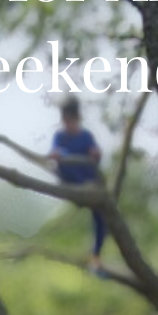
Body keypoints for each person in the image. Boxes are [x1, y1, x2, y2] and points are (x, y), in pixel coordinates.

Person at [49, 99, 109, 276]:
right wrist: (59, 155)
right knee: (64, 163)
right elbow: (55, 153)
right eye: (66, 120)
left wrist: (95, 154)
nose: (68, 124)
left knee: (101, 218)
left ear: (77, 119)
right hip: (71, 182)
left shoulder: (86, 136)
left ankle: (95, 257)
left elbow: (95, 154)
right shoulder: (60, 137)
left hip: (89, 184)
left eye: (71, 120)